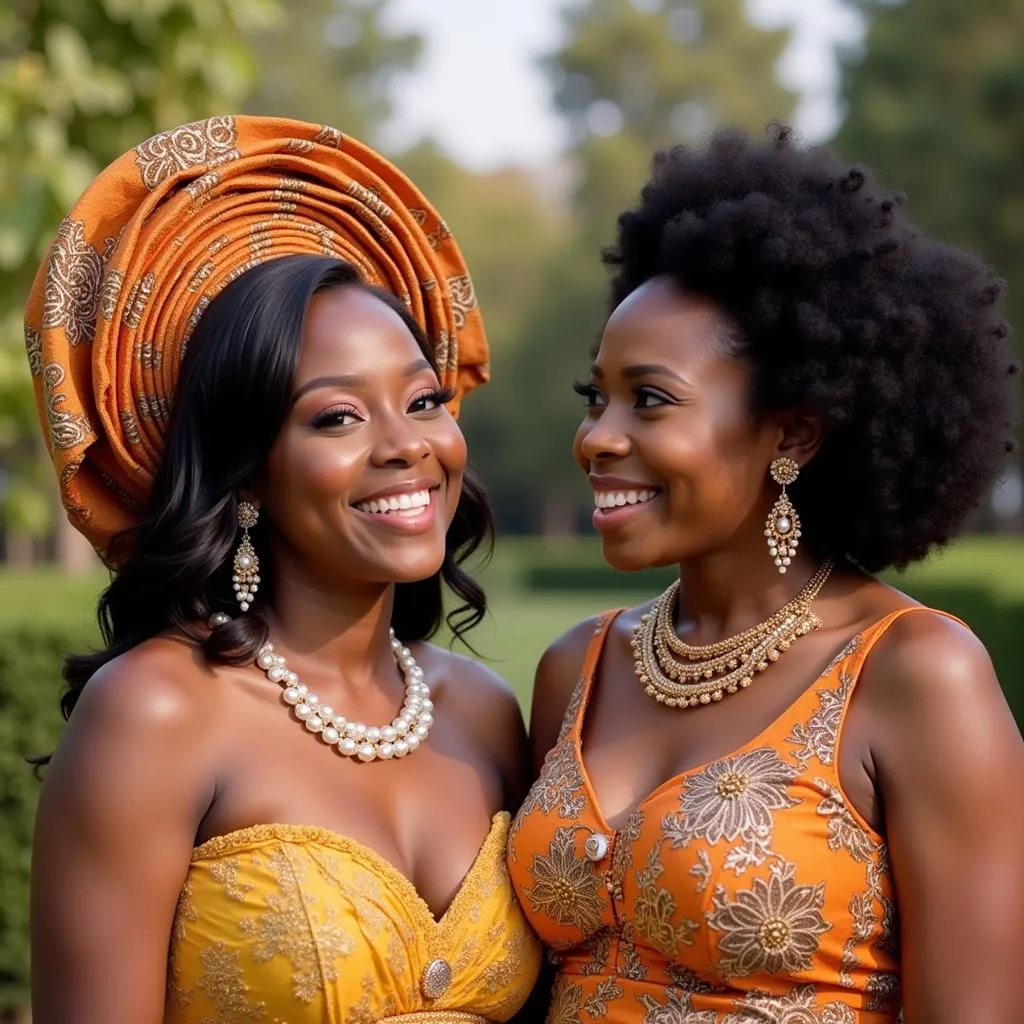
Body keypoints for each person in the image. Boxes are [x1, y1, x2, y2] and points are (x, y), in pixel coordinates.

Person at [27, 116, 540, 1024]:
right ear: (250, 470)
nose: (405, 447)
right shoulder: (158, 712)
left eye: (423, 400)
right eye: (337, 417)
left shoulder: (484, 712)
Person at [508, 125, 1024, 1023]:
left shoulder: (914, 674)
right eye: (598, 397)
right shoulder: (576, 670)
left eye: (652, 399)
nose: (598, 437)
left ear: (791, 434)